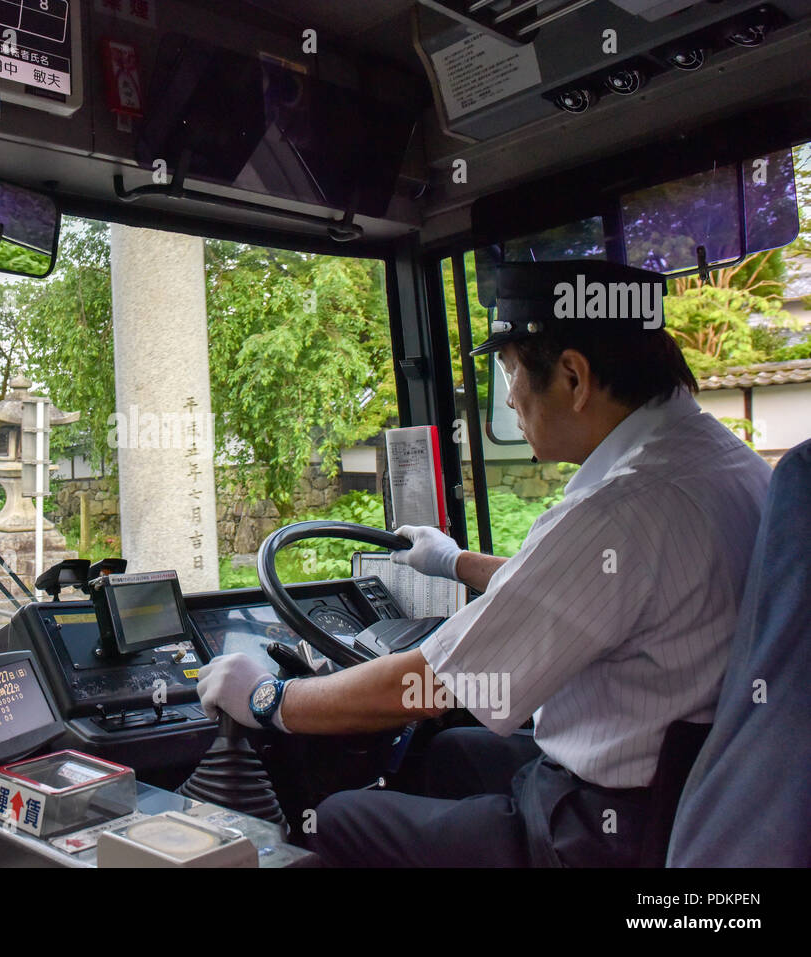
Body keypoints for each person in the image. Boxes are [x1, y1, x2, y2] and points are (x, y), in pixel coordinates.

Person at [198, 259, 772, 866]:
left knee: (340, 818)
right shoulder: (724, 465)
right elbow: (600, 595)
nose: (509, 398)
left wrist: (269, 699)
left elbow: (425, 684)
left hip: (605, 834)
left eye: (509, 371)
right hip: (700, 801)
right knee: (451, 754)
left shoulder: (621, 506)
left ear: (573, 377)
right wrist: (454, 562)